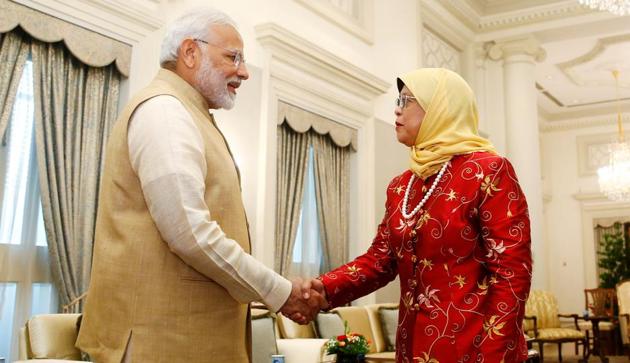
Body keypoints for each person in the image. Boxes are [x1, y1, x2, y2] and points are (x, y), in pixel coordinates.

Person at [76, 8, 324, 363]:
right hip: (161, 344)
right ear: (190, 53)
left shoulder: (188, 113)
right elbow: (188, 231)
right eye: (233, 57)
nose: (244, 71)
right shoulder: (165, 111)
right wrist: (280, 291)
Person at [310, 68, 532, 362]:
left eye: (407, 100)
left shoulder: (488, 170)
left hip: (473, 347)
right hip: (412, 346)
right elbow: (380, 260)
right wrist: (322, 288)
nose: (397, 109)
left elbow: (512, 274)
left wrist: (493, 354)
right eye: (398, 101)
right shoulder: (402, 185)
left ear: (441, 108)